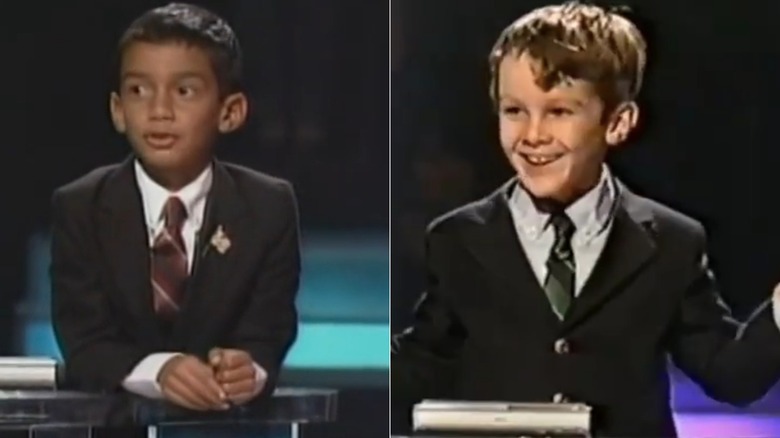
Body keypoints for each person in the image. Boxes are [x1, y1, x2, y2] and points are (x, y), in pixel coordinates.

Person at [391, 2, 780, 437]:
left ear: (618, 122)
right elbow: (420, 370)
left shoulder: (671, 242)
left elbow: (731, 373)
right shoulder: (458, 238)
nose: (532, 134)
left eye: (559, 111)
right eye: (514, 110)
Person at [50, 2, 300, 416]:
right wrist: (160, 370)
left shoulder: (268, 206)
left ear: (229, 112)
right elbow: (86, 341)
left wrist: (248, 371)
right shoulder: (80, 206)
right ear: (117, 110)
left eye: (184, 91)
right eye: (138, 90)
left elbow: (267, 333)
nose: (159, 110)